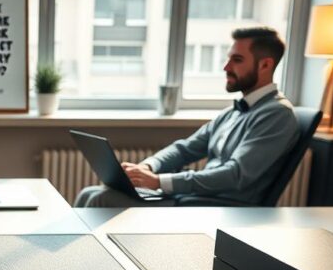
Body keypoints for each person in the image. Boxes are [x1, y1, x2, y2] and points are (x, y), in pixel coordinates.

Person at [74, 27, 299, 207]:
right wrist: (148, 168)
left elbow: (236, 175)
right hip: (196, 199)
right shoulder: (232, 112)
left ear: (265, 65)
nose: (226, 67)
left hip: (222, 207)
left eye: (237, 60)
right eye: (229, 58)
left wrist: (159, 182)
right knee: (89, 193)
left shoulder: (277, 114)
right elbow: (185, 149)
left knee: (100, 200)